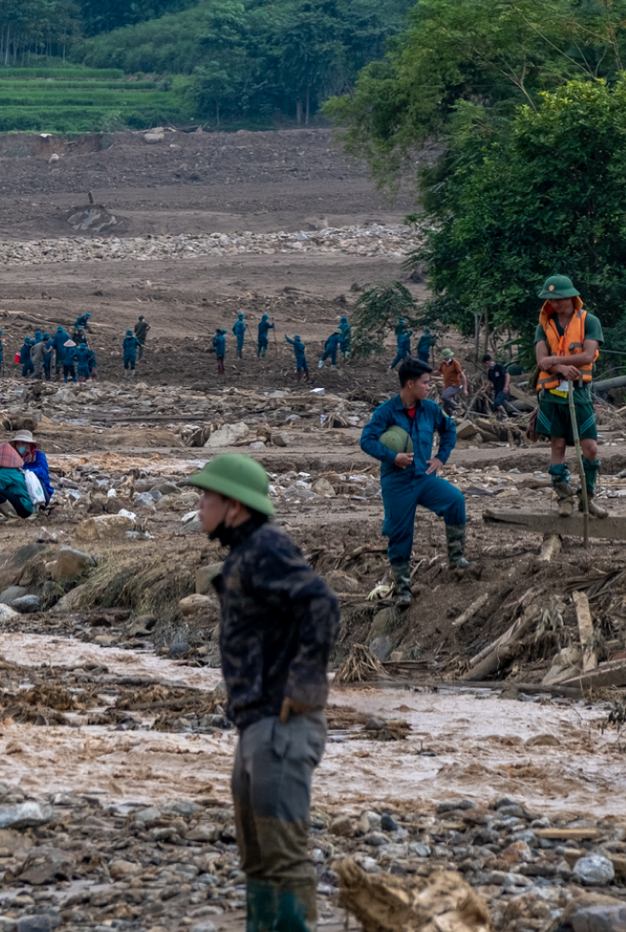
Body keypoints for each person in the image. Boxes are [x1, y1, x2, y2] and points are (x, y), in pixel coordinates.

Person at [183, 453, 337, 932]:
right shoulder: (243, 552)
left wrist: (306, 685)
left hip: (282, 723)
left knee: (284, 857)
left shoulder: (267, 546)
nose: (200, 504)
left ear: (234, 505)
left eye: (207, 495)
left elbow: (322, 603)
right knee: (257, 859)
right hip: (255, 723)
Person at [360, 359, 470, 606]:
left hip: (423, 477)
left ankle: (457, 559)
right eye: (425, 382)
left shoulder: (430, 409)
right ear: (410, 384)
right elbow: (366, 440)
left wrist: (441, 458)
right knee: (400, 533)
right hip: (396, 481)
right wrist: (392, 457)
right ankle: (403, 589)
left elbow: (449, 430)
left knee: (455, 501)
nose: (430, 387)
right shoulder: (386, 412)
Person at [534, 274, 608, 518]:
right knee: (557, 446)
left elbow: (587, 356)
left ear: (571, 297)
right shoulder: (544, 325)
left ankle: (586, 497)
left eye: (561, 299)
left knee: (591, 448)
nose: (556, 304)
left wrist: (556, 360)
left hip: (579, 393)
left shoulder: (590, 321)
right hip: (552, 395)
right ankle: (564, 497)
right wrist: (560, 368)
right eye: (552, 300)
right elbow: (541, 360)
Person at [0, 443, 36, 518]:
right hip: (27, 506)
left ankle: (13, 516)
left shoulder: (5, 472)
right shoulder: (14, 470)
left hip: (24, 506)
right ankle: (10, 515)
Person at [11, 430, 53, 509]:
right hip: (22, 492)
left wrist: (26, 472)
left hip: (41, 494)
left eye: (23, 443)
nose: (20, 446)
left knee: (31, 477)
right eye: (18, 444)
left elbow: (42, 471)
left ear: (29, 444)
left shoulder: (39, 456)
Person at [436, 349, 465, 415]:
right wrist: (429, 371)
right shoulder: (442, 364)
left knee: (444, 397)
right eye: (444, 357)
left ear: (449, 356)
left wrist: (464, 388)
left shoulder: (455, 363)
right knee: (445, 406)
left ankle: (458, 407)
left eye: (446, 357)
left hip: (454, 385)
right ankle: (452, 418)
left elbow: (462, 375)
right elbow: (437, 373)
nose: (445, 358)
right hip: (446, 385)